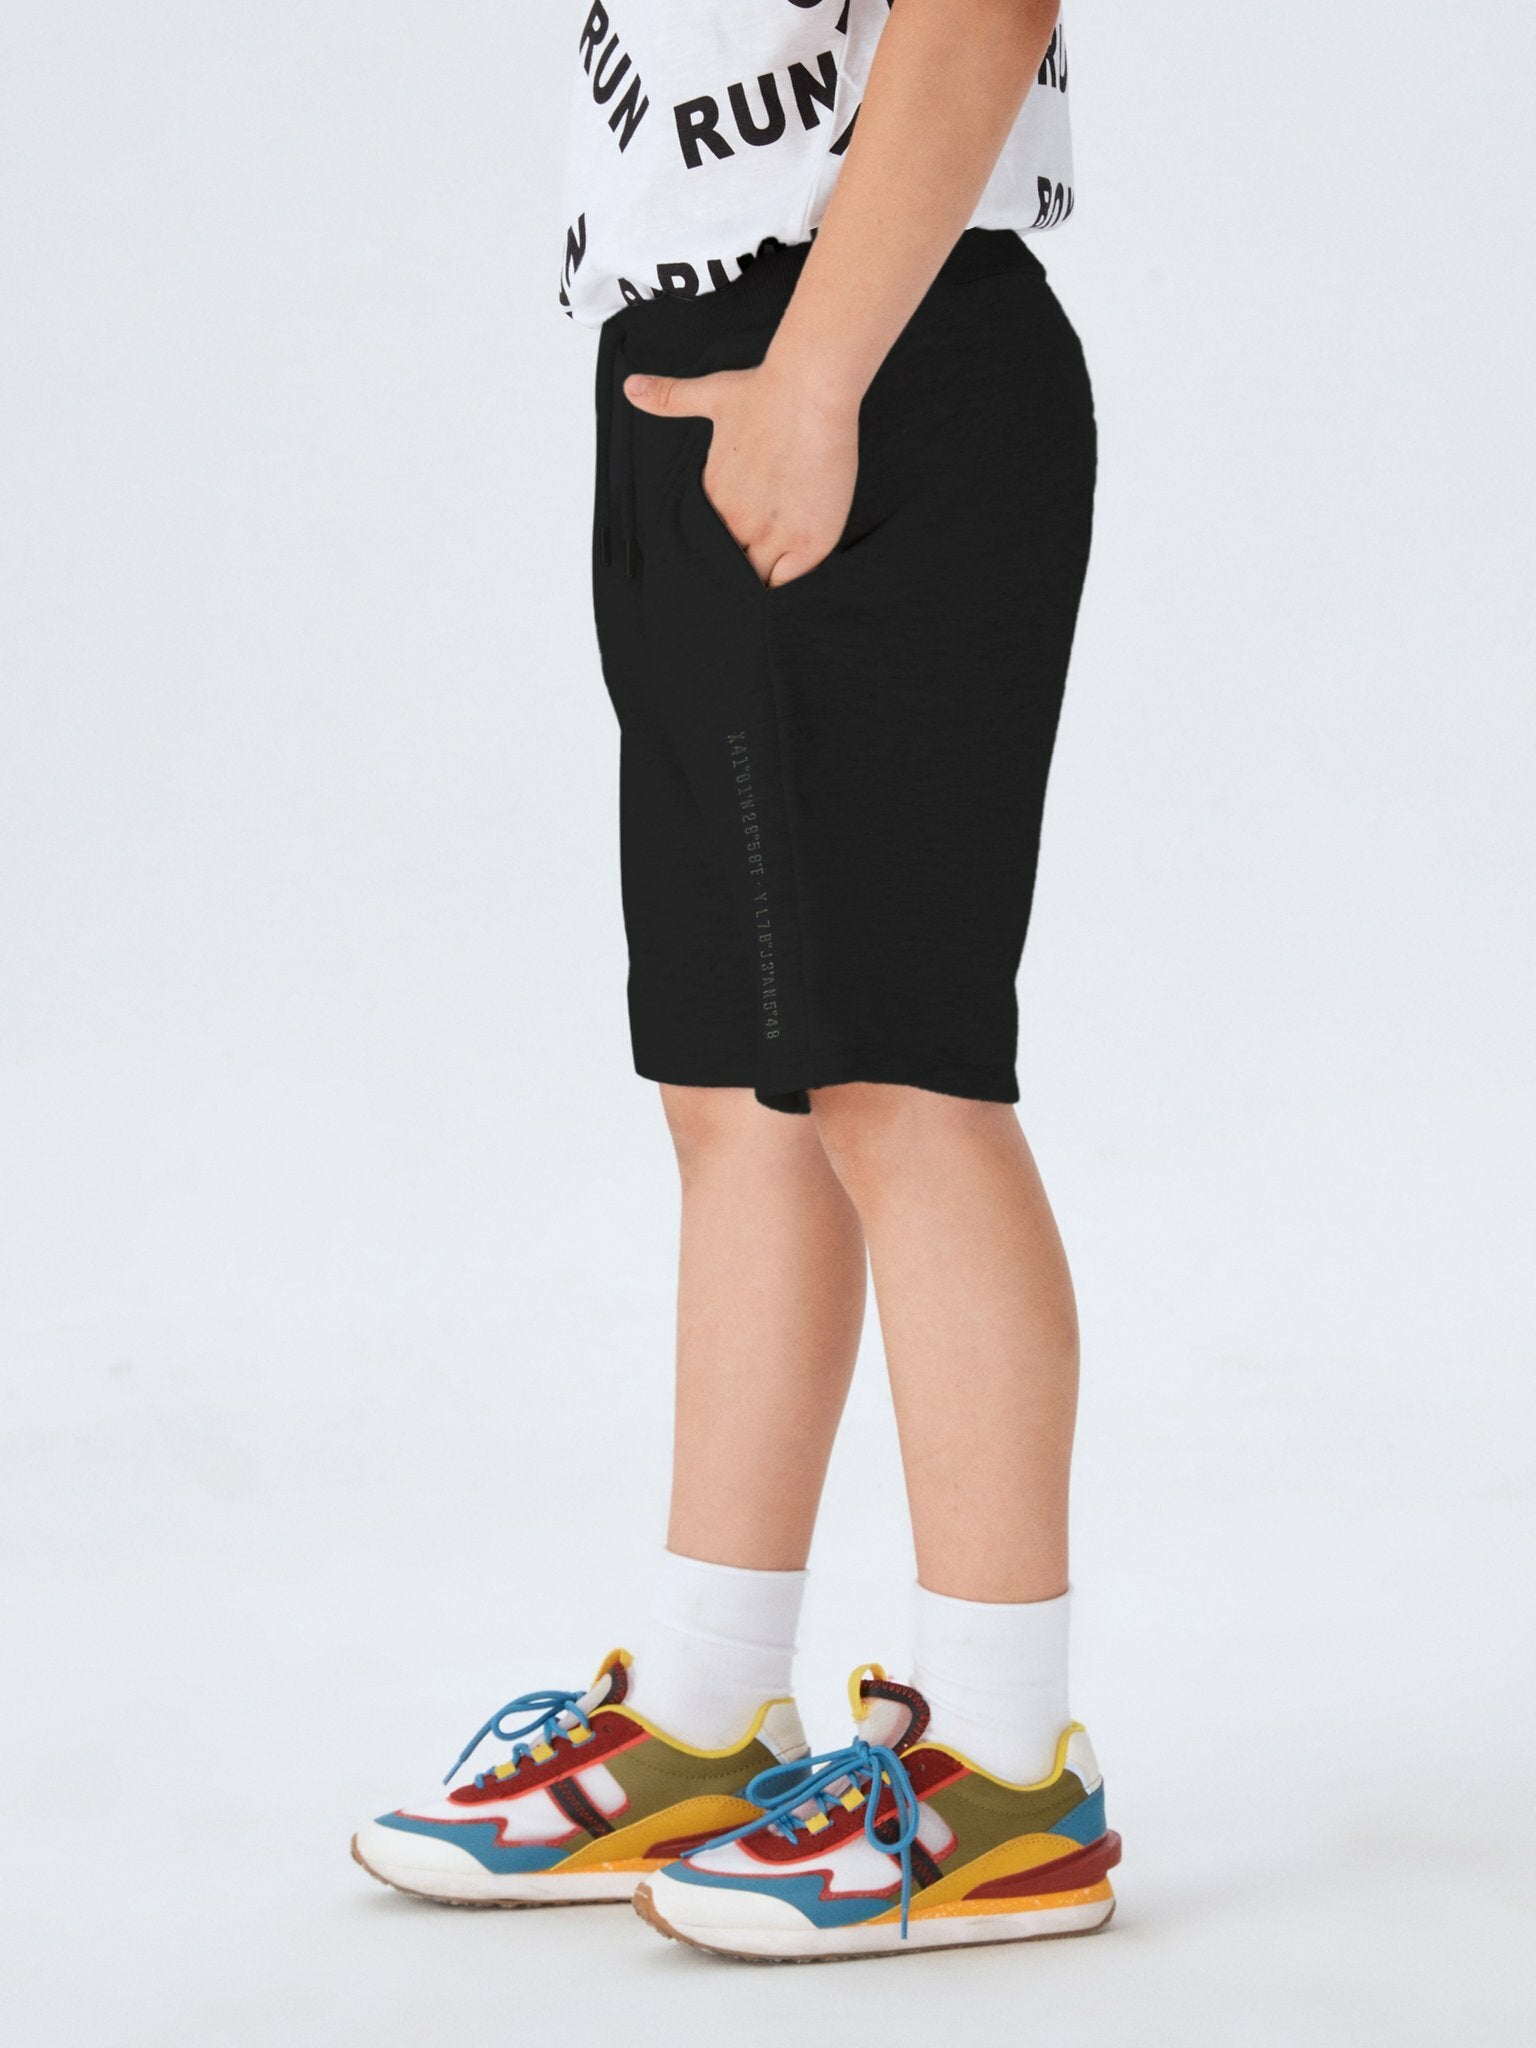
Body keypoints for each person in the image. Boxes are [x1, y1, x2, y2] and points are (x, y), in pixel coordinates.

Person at [353, 0, 1112, 1961]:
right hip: (700, 351)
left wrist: (820, 372)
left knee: (899, 1079)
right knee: (735, 1094)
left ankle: (1006, 1770)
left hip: (871, 341)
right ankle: (703, 1710)